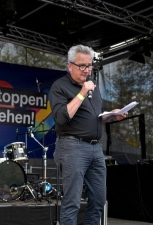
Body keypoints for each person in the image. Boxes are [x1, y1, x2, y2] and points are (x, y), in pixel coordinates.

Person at [49, 44, 127, 225]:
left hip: (95, 148)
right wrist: (82, 93)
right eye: (82, 66)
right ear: (70, 66)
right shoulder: (60, 86)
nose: (87, 70)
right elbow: (61, 118)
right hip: (72, 147)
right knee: (72, 203)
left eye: (89, 65)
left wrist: (110, 115)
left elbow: (93, 118)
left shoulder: (93, 86)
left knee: (99, 200)